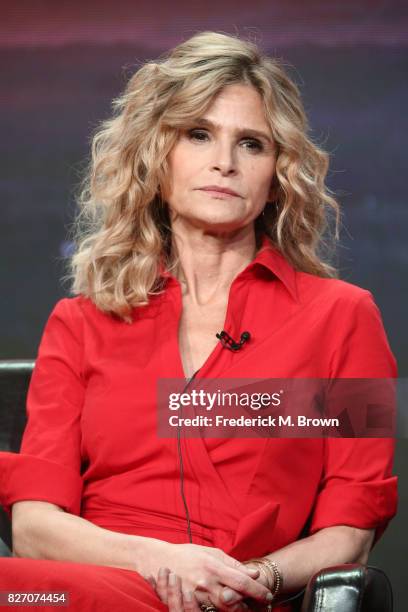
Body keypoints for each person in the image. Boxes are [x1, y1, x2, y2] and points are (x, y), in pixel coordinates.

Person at [0, 31, 397, 612]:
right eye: (199, 134)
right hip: (86, 581)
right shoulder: (80, 321)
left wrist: (248, 578)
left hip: (236, 592)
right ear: (155, 157)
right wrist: (156, 559)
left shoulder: (345, 316)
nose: (224, 163)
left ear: (278, 173)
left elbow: (351, 535)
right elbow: (34, 529)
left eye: (253, 144)